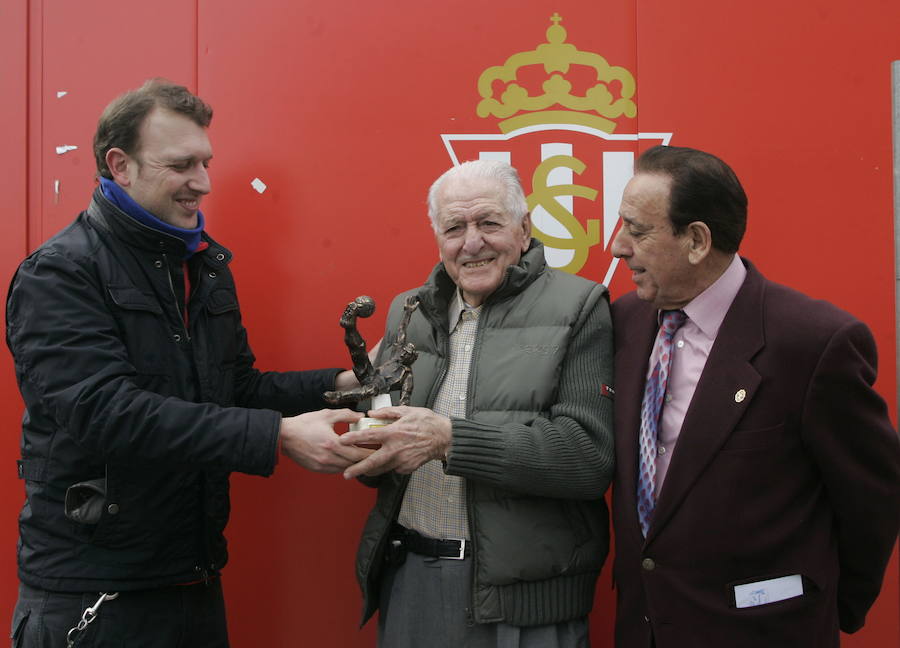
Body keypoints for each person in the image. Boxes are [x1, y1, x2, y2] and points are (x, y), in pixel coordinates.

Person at [5, 79, 370, 647]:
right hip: (96, 595)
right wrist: (277, 436)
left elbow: (237, 389)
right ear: (119, 165)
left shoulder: (202, 266)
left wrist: (346, 384)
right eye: (181, 165)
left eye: (205, 162)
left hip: (193, 579)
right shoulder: (58, 273)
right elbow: (106, 412)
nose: (201, 182)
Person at [609, 144, 900, 648]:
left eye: (637, 230)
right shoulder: (627, 322)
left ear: (697, 240)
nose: (617, 246)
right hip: (645, 627)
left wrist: (828, 607)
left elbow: (872, 500)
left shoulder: (812, 342)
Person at [338, 159, 615, 647]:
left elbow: (587, 457)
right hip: (412, 580)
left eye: (489, 222)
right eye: (454, 228)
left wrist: (449, 438)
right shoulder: (411, 310)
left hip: (522, 604)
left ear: (524, 229)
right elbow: (388, 439)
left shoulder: (581, 306)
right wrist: (362, 443)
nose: (472, 242)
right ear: (438, 239)